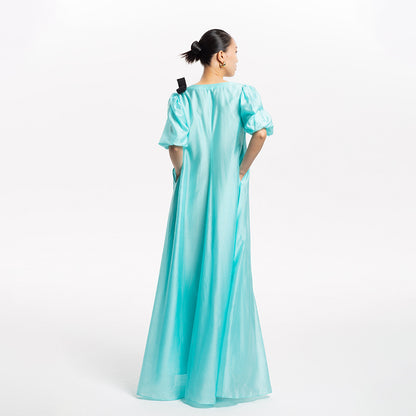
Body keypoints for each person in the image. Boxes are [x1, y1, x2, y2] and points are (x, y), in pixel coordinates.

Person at [136, 28, 275, 408]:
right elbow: (260, 133)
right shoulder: (242, 94)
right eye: (235, 51)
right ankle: (216, 376)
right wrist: (240, 170)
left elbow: (175, 145)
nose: (238, 59)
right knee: (224, 273)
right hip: (227, 196)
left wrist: (183, 176)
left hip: (190, 197)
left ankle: (179, 375)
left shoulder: (182, 98)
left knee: (185, 273)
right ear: (221, 56)